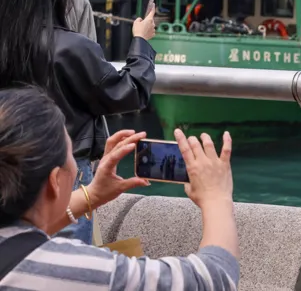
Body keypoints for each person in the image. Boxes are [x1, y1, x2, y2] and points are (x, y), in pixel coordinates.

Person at [0, 86, 239, 290]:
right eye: (71, 153)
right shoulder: (79, 271)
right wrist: (217, 199)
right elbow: (214, 279)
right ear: (55, 180)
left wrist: (92, 195)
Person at [0, 0, 157, 244]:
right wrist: (142, 42)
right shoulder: (71, 48)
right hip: (63, 173)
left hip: (6, 169)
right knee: (65, 265)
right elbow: (128, 92)